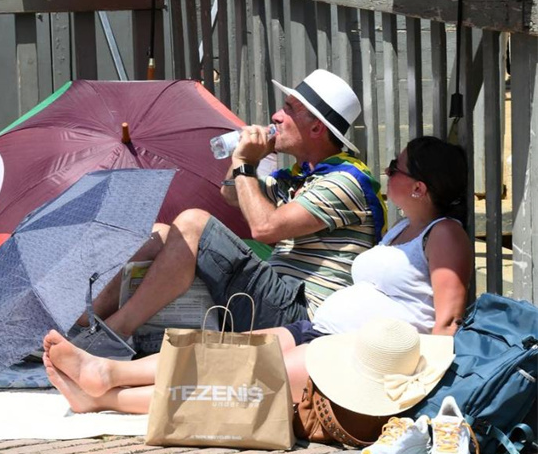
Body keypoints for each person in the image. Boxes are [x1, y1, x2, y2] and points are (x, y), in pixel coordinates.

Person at [43, 135, 472, 412]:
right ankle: (105, 375)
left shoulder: (445, 234)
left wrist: (425, 398)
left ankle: (106, 396)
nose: (387, 173)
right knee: (214, 353)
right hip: (319, 329)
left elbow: (447, 322)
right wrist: (242, 160)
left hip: (350, 352)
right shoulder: (401, 229)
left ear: (419, 187)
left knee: (229, 385)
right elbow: (232, 195)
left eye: (396, 169)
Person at [70, 70, 384, 358]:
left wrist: (247, 164)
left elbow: (264, 227)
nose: (276, 115)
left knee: (193, 222)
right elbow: (232, 193)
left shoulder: (345, 181)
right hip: (274, 300)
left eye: (289, 108)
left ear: (316, 127)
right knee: (163, 233)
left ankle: (114, 334)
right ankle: (86, 321)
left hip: (302, 318)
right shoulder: (301, 176)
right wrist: (239, 156)